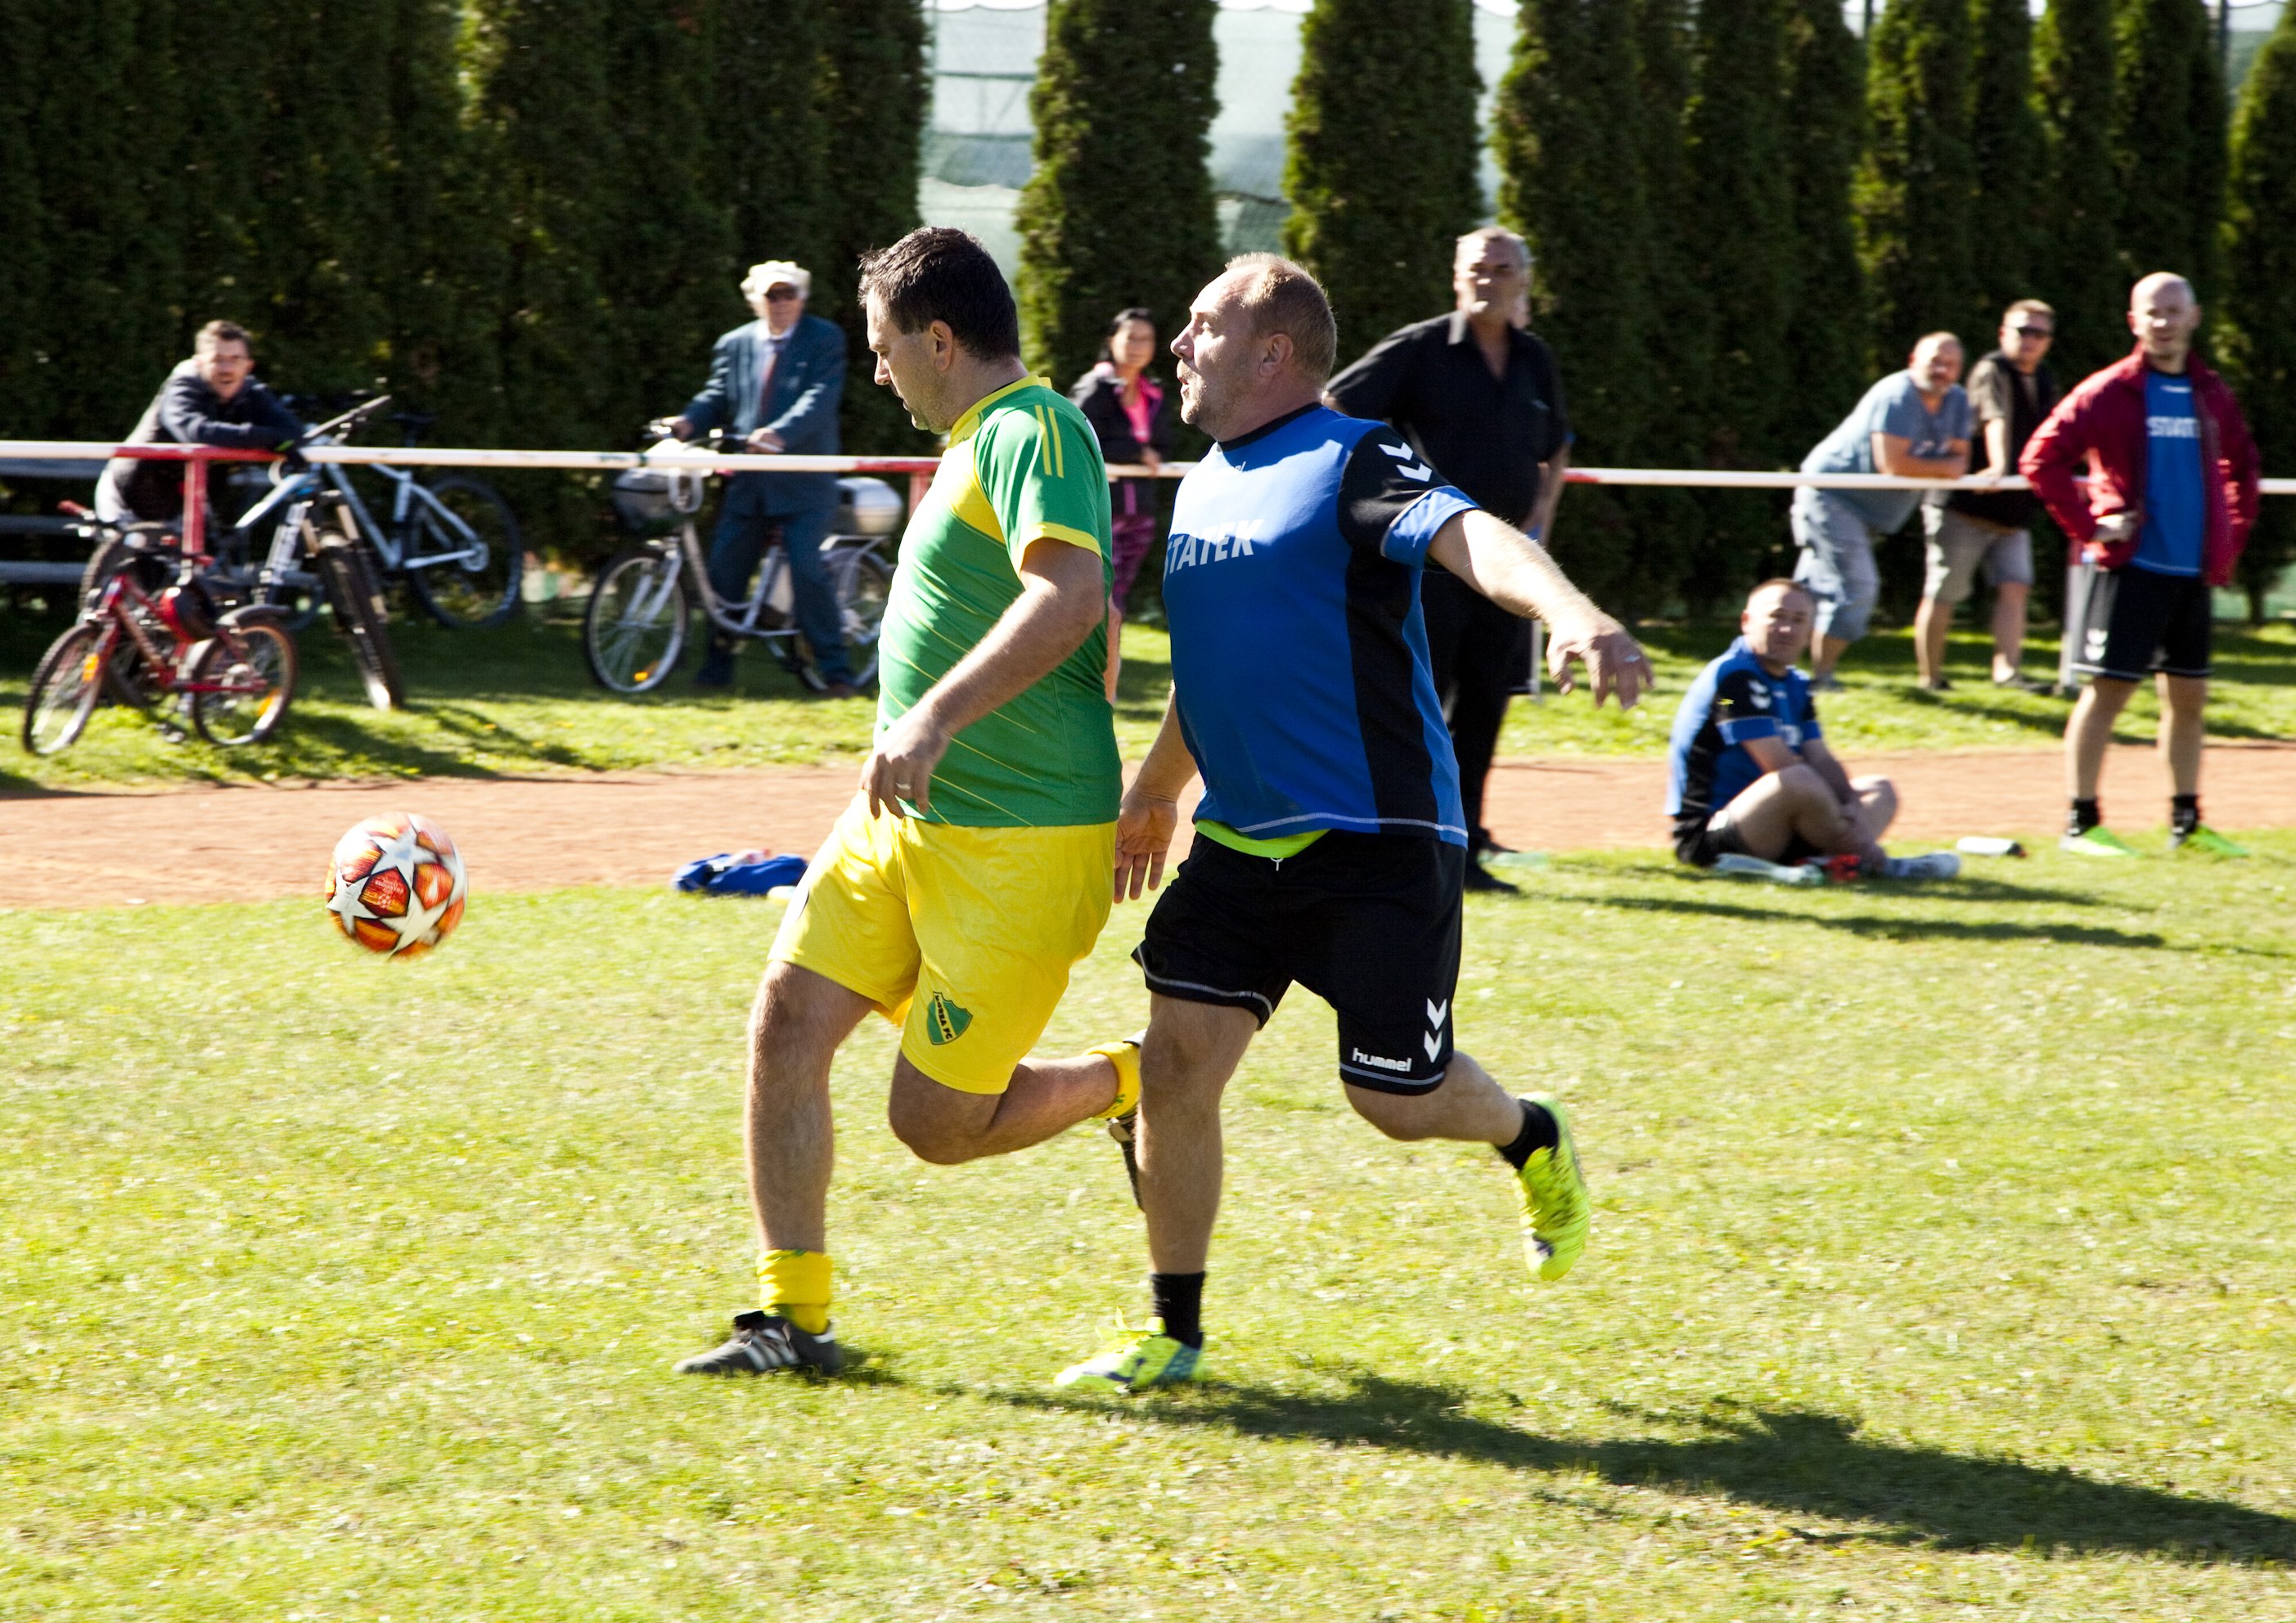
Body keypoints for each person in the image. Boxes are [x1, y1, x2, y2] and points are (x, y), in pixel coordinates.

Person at [1052, 254, 1649, 1395]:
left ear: (1270, 351)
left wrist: (1573, 614)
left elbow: (1475, 540)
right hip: (1239, 839)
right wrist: (1157, 786)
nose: (1176, 346)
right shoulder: (1204, 483)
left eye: (1198, 327)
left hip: (1374, 835)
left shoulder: (1353, 455)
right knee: (1176, 1070)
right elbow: (1218, 661)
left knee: (1392, 1097)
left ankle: (1529, 1134)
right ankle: (1173, 1334)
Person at [673, 228, 1132, 1378]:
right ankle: (791, 1320)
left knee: (932, 1126)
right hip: (902, 823)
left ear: (939, 338)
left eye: (884, 349)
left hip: (1020, 845)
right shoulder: (978, 442)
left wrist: (933, 722)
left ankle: (1131, 1082)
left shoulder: (1038, 427)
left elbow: (1071, 595)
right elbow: (1089, 624)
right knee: (785, 1020)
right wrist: (905, 740)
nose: (876, 374)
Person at [1324, 227, 1572, 892]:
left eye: (1502, 268)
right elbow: (1335, 405)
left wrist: (1541, 516)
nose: (1488, 279)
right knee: (1418, 705)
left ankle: (1461, 851)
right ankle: (1394, 844)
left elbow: (1557, 444)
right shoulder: (1420, 348)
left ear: (1525, 278)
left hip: (1507, 569)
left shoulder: (1534, 360)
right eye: (1477, 268)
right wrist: (1369, 495)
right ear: (1457, 278)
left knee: (1486, 705)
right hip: (1429, 563)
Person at [2021, 272, 2262, 858]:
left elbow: (2244, 469)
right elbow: (2041, 459)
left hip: (2191, 575)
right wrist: (2090, 526)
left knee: (2188, 701)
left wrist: (2227, 536)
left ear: (2194, 317)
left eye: (2174, 311)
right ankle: (2082, 823)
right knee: (2107, 694)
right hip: (2133, 570)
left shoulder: (2211, 393)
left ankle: (2187, 823)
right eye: (2152, 313)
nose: (2163, 322)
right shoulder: (2109, 391)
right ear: (2134, 321)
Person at [1668, 579, 1957, 880]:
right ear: (1746, 622)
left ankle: (1831, 862)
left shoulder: (1796, 684)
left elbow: (1821, 759)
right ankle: (1879, 864)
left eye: (1798, 620)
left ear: (1810, 632)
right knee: (1796, 778)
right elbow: (1778, 765)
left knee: (1878, 790)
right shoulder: (1731, 682)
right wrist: (1852, 823)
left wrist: (1850, 806)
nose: (1787, 629)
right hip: (1713, 833)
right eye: (1777, 617)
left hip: (1781, 824)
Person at [669, 260, 853, 695]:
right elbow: (716, 395)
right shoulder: (734, 344)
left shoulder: (824, 338)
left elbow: (820, 397)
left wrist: (780, 434)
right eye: (773, 295)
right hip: (749, 483)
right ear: (756, 300)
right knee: (723, 576)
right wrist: (687, 422)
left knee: (808, 570)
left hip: (805, 481)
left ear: (802, 298)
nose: (782, 303)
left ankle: (838, 672)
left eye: (789, 294)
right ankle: (716, 670)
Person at [1792, 334, 1973, 687]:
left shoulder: (1957, 400)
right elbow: (1892, 464)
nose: (1942, 370)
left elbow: (1960, 462)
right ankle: (1821, 678)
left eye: (1950, 364)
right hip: (1832, 495)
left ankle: (1776, 674)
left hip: (1870, 512)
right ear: (1912, 360)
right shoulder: (1896, 394)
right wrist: (1940, 465)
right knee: (1858, 588)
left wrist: (1927, 465)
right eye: (1934, 360)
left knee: (1805, 594)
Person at [1915, 302, 2062, 691]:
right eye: (2022, 331)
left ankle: (2008, 673)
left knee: (2016, 586)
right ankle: (1930, 679)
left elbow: (2058, 432)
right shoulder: (1990, 369)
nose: (2029, 340)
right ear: (2003, 333)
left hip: (2011, 512)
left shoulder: (2045, 379)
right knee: (1945, 592)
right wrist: (1999, 467)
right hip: (1964, 506)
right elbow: (1995, 418)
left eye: (2038, 334)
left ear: (2048, 342)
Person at [1069, 308, 1175, 702]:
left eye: (1145, 339)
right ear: (1111, 340)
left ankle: (1101, 686)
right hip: (1098, 508)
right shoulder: (1093, 387)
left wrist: (1143, 452)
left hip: (1139, 513)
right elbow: (1077, 434)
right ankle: (1077, 678)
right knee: (1091, 595)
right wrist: (1135, 450)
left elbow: (1163, 447)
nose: (1136, 347)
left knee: (1116, 601)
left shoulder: (1156, 393)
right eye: (1130, 337)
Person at [99, 321, 303, 525]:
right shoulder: (182, 385)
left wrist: (275, 439)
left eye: (235, 359)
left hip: (184, 501)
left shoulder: (252, 391)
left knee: (211, 551)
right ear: (198, 363)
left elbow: (293, 431)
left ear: (248, 365)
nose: (227, 369)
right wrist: (269, 438)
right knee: (142, 555)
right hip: (130, 493)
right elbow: (196, 433)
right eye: (217, 359)